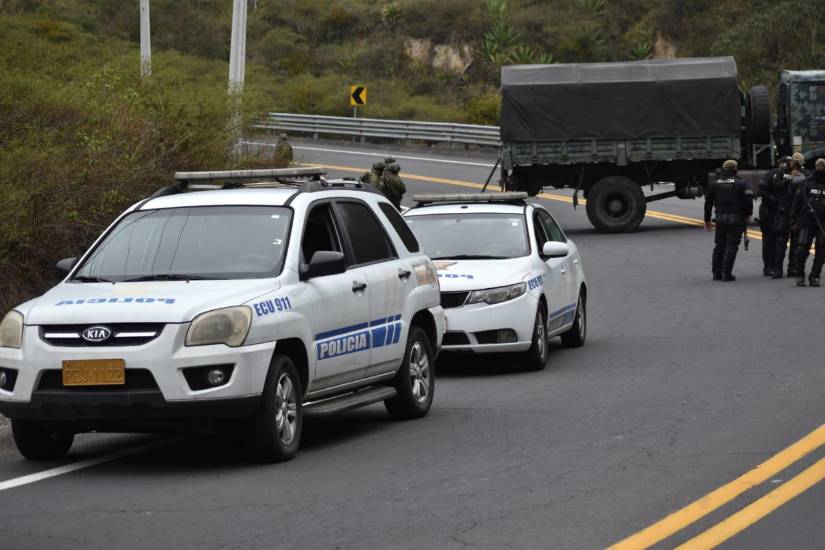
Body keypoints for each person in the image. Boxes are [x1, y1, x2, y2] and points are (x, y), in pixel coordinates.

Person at [704, 160, 753, 281]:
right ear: (734, 169)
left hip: (720, 219)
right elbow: (748, 201)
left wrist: (707, 219)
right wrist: (748, 214)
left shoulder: (715, 184)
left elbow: (708, 203)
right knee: (731, 246)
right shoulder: (741, 183)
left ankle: (716, 273)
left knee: (719, 246)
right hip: (736, 220)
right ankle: (726, 273)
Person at [790, 158, 825, 287]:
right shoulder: (806, 183)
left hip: (823, 223)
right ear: (815, 167)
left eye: (823, 166)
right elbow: (796, 202)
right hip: (807, 221)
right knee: (801, 250)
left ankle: (815, 276)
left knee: (821, 252)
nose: (821, 168)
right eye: (819, 166)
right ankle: (799, 275)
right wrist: (793, 220)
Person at [772, 158, 806, 278]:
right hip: (784, 211)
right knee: (780, 242)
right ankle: (777, 270)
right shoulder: (781, 174)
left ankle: (793, 268)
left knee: (796, 243)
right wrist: (790, 179)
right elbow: (776, 186)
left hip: (796, 213)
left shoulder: (804, 176)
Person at [758, 157, 787, 276]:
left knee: (779, 241)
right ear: (778, 163)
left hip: (782, 212)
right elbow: (762, 190)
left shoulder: (790, 175)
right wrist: (773, 200)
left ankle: (777, 266)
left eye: (786, 163)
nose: (784, 165)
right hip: (768, 211)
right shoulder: (771, 174)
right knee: (768, 240)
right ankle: (767, 267)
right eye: (782, 162)